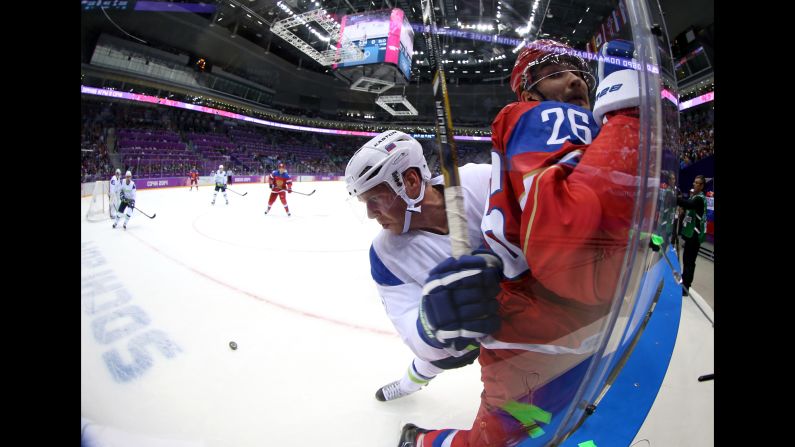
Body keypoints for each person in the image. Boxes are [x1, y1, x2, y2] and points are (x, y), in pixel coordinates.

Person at [400, 39, 642, 446]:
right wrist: (630, 115)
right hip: (540, 328)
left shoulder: (567, 125)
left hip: (550, 321)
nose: (572, 81)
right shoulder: (548, 116)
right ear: (530, 93)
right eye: (554, 73)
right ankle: (422, 442)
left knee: (524, 435)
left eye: (576, 71)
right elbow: (573, 251)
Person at [344, 130, 498, 402]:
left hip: (517, 316)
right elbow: (414, 334)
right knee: (431, 363)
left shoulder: (480, 181)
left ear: (410, 181)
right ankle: (407, 385)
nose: (370, 214)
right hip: (459, 345)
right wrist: (433, 324)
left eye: (374, 200)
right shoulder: (384, 254)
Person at [677, 175, 707, 296]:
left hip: (695, 236)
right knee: (687, 260)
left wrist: (675, 198)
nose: (694, 184)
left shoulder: (699, 199)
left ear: (702, 186)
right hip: (691, 235)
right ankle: (684, 283)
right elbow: (688, 206)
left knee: (689, 262)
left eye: (697, 183)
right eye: (694, 182)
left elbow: (689, 204)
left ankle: (685, 288)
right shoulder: (695, 197)